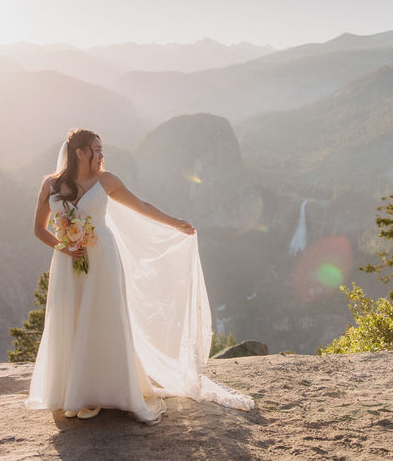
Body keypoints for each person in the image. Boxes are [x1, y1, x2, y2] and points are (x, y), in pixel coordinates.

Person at [25, 128, 254, 424]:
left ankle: (100, 391)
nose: (101, 153)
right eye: (95, 148)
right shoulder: (51, 185)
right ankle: (74, 390)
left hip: (103, 259)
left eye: (101, 148)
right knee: (69, 318)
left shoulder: (106, 181)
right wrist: (64, 247)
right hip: (68, 263)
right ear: (79, 152)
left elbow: (141, 206)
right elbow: (39, 229)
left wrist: (175, 224)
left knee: (103, 319)